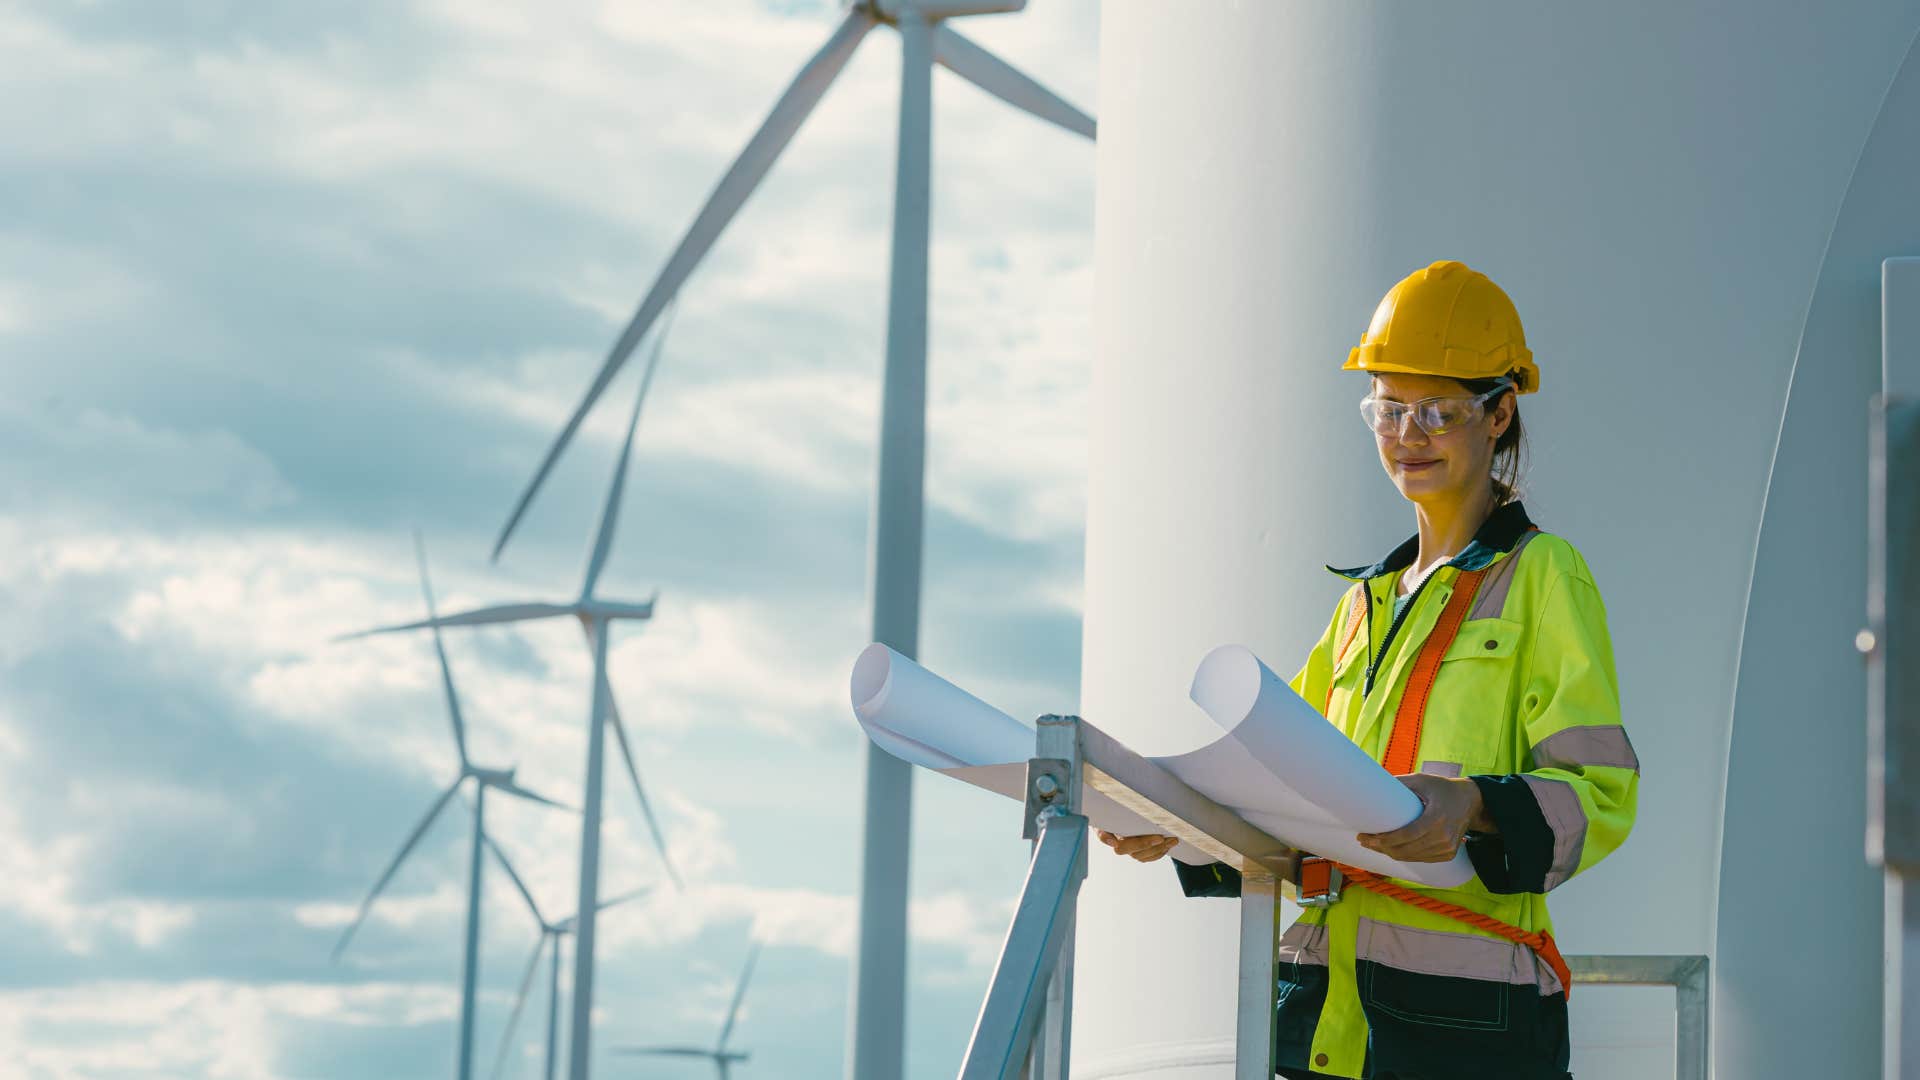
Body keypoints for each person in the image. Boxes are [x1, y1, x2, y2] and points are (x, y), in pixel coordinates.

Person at [1098, 261, 1639, 1080]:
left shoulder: (1541, 576)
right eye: (1387, 409)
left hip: (1467, 1033)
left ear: (1500, 413)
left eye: (1437, 411)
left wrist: (1475, 806)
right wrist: (1177, 823)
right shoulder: (1363, 607)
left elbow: (1601, 793)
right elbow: (1283, 796)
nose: (1407, 435)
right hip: (1329, 1018)